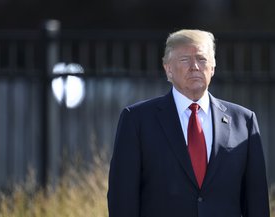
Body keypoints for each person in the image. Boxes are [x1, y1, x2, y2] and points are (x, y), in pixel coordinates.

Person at [107, 29, 271, 217]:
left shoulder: (244, 122)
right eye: (185, 60)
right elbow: (123, 198)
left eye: (202, 59)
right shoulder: (137, 120)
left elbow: (256, 201)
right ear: (168, 68)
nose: (195, 66)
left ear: (213, 67)